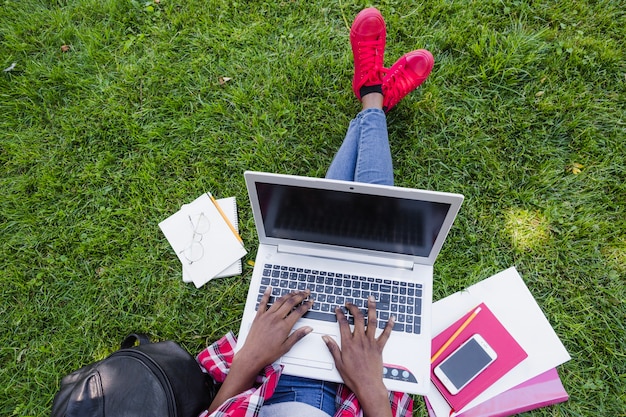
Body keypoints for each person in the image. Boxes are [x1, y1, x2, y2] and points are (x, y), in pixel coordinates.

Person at [196, 7, 434, 417]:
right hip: (356, 396)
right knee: (375, 238)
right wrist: (372, 390)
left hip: (266, 375)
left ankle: (371, 99)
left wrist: (249, 360)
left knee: (317, 236)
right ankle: (372, 98)